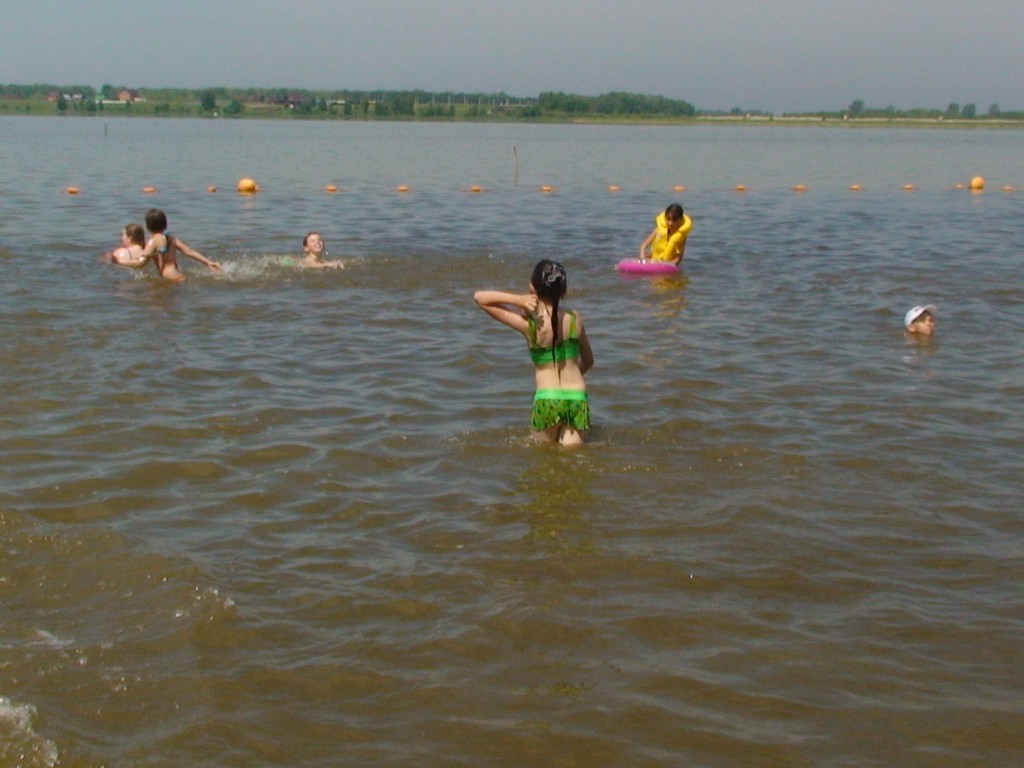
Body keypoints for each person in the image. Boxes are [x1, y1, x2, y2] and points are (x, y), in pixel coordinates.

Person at [474, 259, 594, 446]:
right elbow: (588, 361)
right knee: (571, 457)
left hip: (547, 399)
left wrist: (518, 300)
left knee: (544, 456)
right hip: (576, 398)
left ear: (532, 289)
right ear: (564, 291)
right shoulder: (575, 319)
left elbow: (480, 298)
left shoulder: (530, 326)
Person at [134, 208, 221, 281]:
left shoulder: (153, 241)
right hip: (178, 276)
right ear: (165, 224)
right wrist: (208, 262)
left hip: (170, 279)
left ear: (147, 226)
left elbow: (140, 262)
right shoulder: (171, 239)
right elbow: (189, 251)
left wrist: (125, 261)